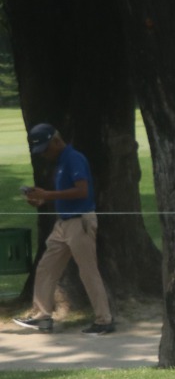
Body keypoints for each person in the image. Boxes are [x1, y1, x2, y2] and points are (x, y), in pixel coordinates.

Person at [13, 122, 115, 335]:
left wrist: (47, 195)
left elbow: (82, 191)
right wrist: (41, 199)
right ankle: (42, 316)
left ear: (57, 141)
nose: (44, 154)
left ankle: (104, 320)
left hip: (80, 222)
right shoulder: (60, 162)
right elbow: (64, 195)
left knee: (88, 271)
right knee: (46, 267)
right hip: (63, 223)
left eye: (45, 149)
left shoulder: (73, 158)